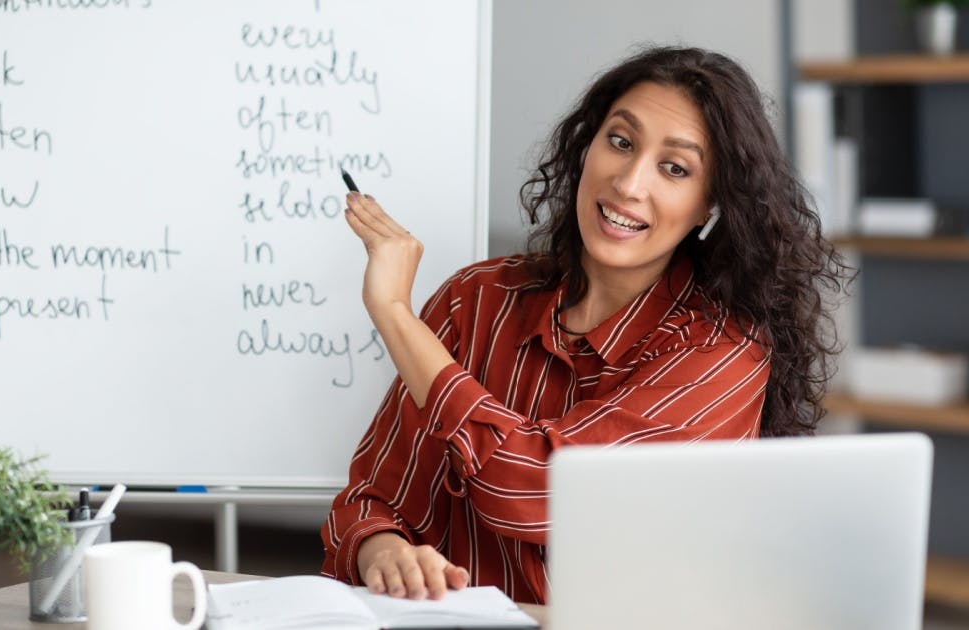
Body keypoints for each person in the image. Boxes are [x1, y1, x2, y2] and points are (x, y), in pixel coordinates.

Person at [321, 46, 848, 605]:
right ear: (587, 145)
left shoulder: (722, 354)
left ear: (708, 205)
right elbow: (372, 499)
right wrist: (385, 553)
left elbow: (537, 488)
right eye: (620, 142)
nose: (628, 182)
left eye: (675, 168)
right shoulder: (472, 300)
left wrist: (397, 315)